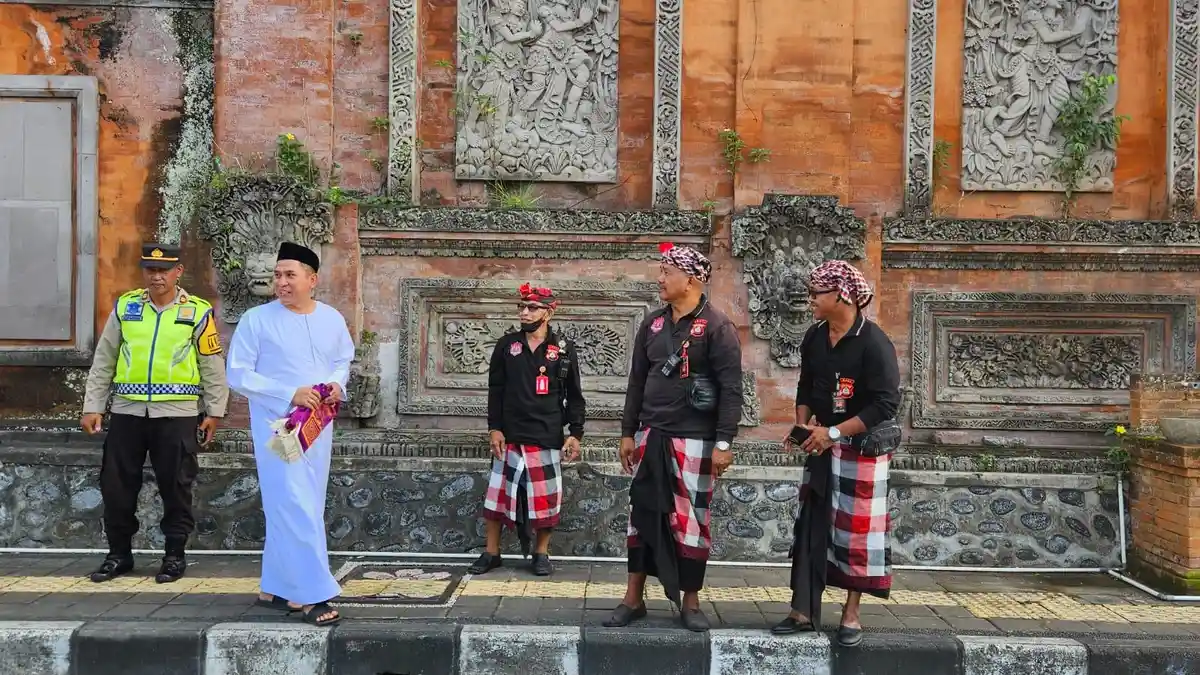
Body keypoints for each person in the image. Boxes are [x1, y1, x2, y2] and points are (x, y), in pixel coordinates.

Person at [605, 242, 743, 632]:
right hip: (651, 436)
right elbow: (637, 381)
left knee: (692, 520)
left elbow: (732, 389)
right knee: (641, 515)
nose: (660, 279)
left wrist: (724, 442)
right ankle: (633, 598)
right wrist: (628, 433)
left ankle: (691, 601)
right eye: (661, 271)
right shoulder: (652, 324)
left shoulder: (717, 326)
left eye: (667, 272)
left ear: (692, 280)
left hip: (695, 440)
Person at [80, 243, 228, 584]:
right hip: (127, 411)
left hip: (176, 415)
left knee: (176, 487)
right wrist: (93, 406)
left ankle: (174, 556)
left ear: (178, 272)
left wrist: (214, 410)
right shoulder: (126, 307)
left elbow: (211, 364)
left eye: (164, 270)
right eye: (151, 270)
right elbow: (104, 359)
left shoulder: (197, 312)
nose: (157, 276)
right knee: (116, 486)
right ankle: (119, 554)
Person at [774, 260, 901, 648]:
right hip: (821, 444)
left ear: (842, 296)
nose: (810, 299)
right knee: (811, 523)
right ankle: (802, 610)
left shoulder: (874, 343)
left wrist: (833, 433)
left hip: (860, 448)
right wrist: (802, 425)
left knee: (856, 532)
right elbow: (807, 385)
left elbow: (885, 404)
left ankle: (851, 613)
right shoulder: (814, 336)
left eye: (817, 293)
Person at [226, 241, 354, 627]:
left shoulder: (331, 318)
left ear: (312, 280)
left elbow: (342, 359)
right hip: (279, 427)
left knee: (303, 501)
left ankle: (275, 587)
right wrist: (289, 393)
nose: (281, 282)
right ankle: (313, 594)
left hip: (318, 425)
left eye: (289, 275)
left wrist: (336, 385)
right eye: (277, 275)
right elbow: (238, 374)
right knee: (295, 502)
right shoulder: (256, 320)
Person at [469, 283, 586, 577]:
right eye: (521, 307)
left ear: (548, 313)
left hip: (546, 433)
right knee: (498, 496)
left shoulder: (563, 349)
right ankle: (492, 552)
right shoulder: (507, 346)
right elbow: (496, 390)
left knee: (545, 498)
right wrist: (494, 428)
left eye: (532, 308)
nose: (524, 313)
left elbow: (575, 395)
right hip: (509, 434)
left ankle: (541, 553)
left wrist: (576, 433)